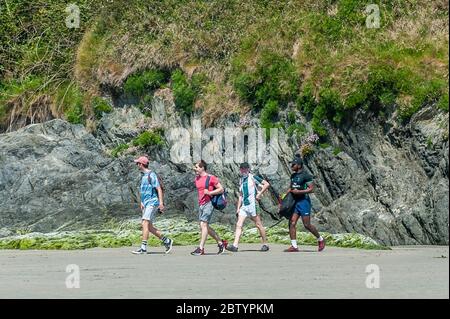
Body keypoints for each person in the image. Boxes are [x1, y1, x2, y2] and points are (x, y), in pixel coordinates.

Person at [132, 156, 173, 255]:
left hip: (152, 202)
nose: (137, 165)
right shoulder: (143, 176)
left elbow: (158, 188)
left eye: (138, 163)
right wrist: (141, 202)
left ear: (141, 164)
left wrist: (161, 203)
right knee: (149, 227)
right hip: (146, 204)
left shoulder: (151, 174)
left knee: (144, 223)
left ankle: (143, 247)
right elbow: (143, 191)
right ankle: (167, 241)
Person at [226, 163, 270, 252]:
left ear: (248, 169)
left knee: (258, 224)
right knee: (239, 225)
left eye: (245, 168)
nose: (243, 170)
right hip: (244, 206)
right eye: (242, 169)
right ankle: (235, 245)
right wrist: (238, 208)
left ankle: (265, 244)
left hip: (253, 205)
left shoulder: (253, 177)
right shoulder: (241, 180)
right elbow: (241, 195)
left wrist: (259, 193)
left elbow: (266, 184)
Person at [285, 156, 325, 252]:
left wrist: (298, 192)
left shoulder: (306, 175)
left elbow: (311, 189)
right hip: (295, 202)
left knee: (307, 225)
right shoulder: (293, 176)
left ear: (299, 165)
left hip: (304, 202)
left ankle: (321, 239)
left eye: (293, 164)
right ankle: (294, 246)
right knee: (292, 222)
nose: (291, 166)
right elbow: (291, 188)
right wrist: (284, 197)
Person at [191, 160, 228, 256]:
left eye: (197, 167)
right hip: (201, 204)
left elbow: (221, 189)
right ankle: (221, 243)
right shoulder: (197, 178)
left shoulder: (211, 178)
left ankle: (201, 248)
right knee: (204, 226)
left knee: (203, 224)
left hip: (209, 203)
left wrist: (210, 193)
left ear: (202, 168)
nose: (195, 169)